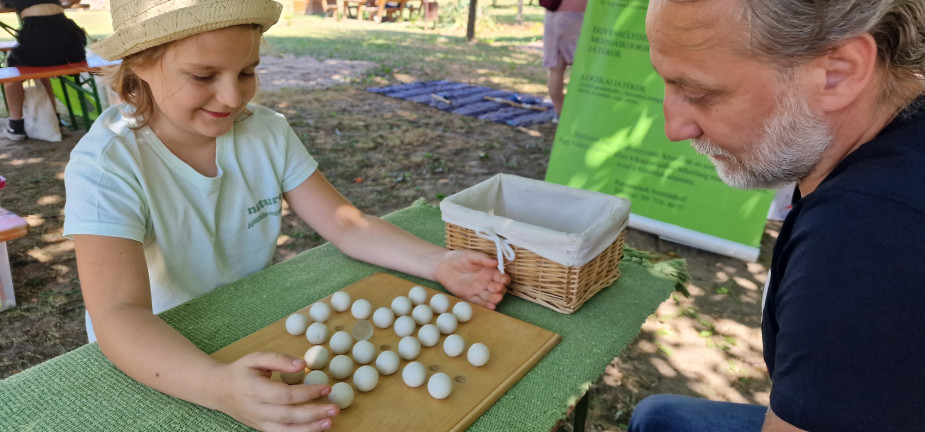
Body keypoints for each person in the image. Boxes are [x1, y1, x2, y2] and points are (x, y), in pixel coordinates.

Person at [62, 1, 509, 430]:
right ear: (137, 63)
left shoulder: (266, 133)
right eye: (203, 75)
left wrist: (436, 262)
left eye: (247, 72)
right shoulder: (108, 165)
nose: (232, 96)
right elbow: (118, 313)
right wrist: (215, 386)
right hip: (158, 357)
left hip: (253, 324)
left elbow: (343, 223)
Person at [629, 0, 925, 431]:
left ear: (838, 71)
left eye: (697, 93)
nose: (674, 127)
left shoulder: (865, 238)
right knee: (660, 418)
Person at [1, 0, 86, 141]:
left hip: (36, 33)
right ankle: (53, 118)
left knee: (12, 73)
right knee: (39, 68)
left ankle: (16, 126)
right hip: (69, 35)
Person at [543, 0, 586, 122]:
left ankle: (560, 113)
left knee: (556, 69)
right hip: (586, 13)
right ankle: (579, 112)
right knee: (583, 68)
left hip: (556, 14)